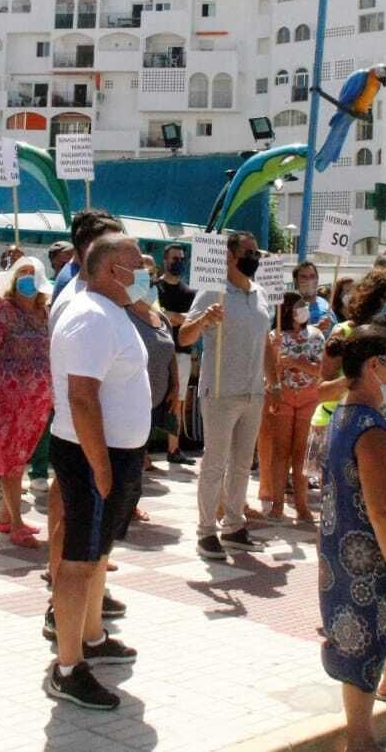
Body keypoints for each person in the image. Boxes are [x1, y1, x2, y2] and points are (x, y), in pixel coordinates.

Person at [46, 233, 147, 710]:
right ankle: (67, 668)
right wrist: (101, 466)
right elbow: (82, 397)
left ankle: (90, 636)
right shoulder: (89, 317)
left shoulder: (115, 311)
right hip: (94, 454)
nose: (145, 268)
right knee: (79, 560)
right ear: (111, 270)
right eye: (137, 262)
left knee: (97, 553)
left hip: (114, 453)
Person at [317, 325, 386, 752]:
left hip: (351, 558)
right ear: (374, 367)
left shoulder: (346, 416)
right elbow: (382, 511)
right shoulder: (371, 430)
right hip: (372, 566)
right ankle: (360, 742)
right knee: (362, 647)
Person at [181, 232, 275, 560]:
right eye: (250, 251)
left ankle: (234, 525)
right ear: (231, 256)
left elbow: (266, 342)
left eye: (256, 251)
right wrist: (206, 319)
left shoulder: (261, 293)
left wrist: (272, 383)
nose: (255, 257)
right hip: (220, 392)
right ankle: (206, 531)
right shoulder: (213, 291)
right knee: (214, 463)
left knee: (242, 465)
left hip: (253, 391)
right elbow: (185, 335)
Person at [0, 255, 54, 547]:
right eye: (23, 274)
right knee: (9, 456)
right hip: (8, 398)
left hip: (38, 400)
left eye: (34, 274)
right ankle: (16, 523)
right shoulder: (0, 311)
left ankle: (7, 516)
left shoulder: (44, 314)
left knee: (22, 455)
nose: (28, 280)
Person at [263, 291, 325, 521]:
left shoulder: (316, 335)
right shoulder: (275, 336)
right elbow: (270, 372)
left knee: (302, 453)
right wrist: (278, 358)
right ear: (287, 311)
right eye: (298, 306)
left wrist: (296, 363)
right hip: (282, 397)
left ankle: (302, 504)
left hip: (309, 398)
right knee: (280, 451)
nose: (303, 309)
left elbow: (321, 369)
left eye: (304, 305)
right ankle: (277, 504)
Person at [123, 254, 178, 505]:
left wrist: (175, 386)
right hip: (131, 398)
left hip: (157, 396)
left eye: (149, 280)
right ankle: (126, 504)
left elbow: (171, 353)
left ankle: (131, 503)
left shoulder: (161, 317)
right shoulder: (122, 314)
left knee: (139, 452)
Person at [155, 242, 198, 466]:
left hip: (181, 352)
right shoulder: (154, 288)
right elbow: (156, 314)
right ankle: (142, 452)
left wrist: (170, 316)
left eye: (181, 259)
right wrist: (173, 317)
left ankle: (174, 447)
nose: (178, 262)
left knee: (178, 400)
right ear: (165, 260)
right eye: (174, 258)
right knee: (152, 398)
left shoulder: (189, 292)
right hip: (157, 351)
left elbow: (189, 320)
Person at [292, 261, 334, 331]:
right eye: (304, 277)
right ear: (296, 281)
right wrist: (316, 329)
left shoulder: (325, 304)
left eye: (312, 276)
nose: (309, 280)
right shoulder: (290, 306)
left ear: (317, 279)